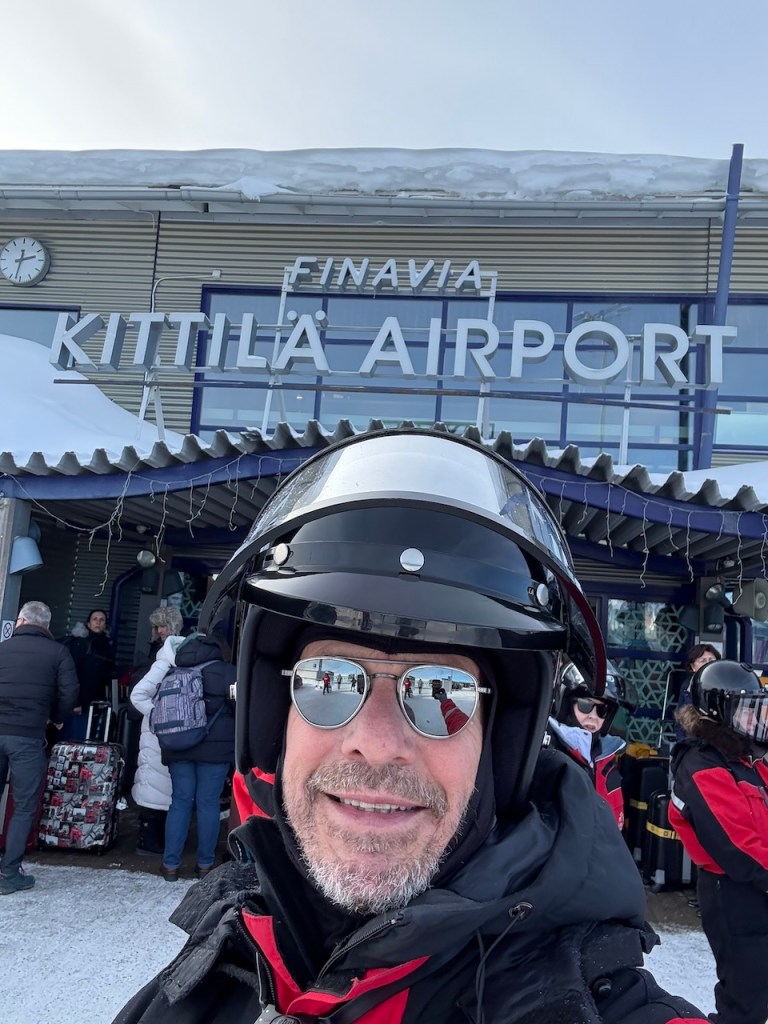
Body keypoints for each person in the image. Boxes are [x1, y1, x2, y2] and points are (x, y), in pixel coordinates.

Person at [113, 429, 706, 1023]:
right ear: (275, 714)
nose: (375, 742)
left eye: (439, 692)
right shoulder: (207, 978)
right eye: (329, 681)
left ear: (500, 745)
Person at [670, 659, 768, 1024]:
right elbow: (737, 847)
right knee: (747, 997)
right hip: (734, 894)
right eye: (747, 713)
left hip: (757, 886)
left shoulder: (746, 761)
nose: (755, 722)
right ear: (719, 712)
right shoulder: (702, 764)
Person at [130, 631, 235, 881]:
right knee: (208, 804)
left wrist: (158, 718)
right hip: (216, 750)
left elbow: (144, 697)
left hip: (179, 745)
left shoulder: (172, 669)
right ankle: (205, 865)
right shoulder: (229, 672)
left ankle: (170, 866)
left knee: (180, 802)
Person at [0, 601, 78, 895]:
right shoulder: (58, 652)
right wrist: (56, 718)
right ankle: (8, 873)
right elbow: (70, 692)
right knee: (23, 806)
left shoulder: (2, 648)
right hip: (28, 737)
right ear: (46, 625)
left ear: (20, 621)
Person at [546, 660, 637, 828]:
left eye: (602, 711)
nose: (593, 716)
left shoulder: (606, 757)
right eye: (585, 705)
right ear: (566, 704)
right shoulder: (548, 754)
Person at [130, 606, 185, 856]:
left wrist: (159, 715)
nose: (160, 630)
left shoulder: (166, 655)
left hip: (156, 729)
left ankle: (151, 839)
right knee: (157, 783)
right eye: (157, 626)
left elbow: (139, 693)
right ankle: (151, 839)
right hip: (161, 730)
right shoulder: (166, 655)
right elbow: (139, 693)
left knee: (157, 783)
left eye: (164, 625)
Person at [60, 608, 116, 740]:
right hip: (79, 705)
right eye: (95, 619)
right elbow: (72, 673)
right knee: (74, 742)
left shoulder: (106, 646)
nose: (98, 622)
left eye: (101, 620)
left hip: (96, 704)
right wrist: (75, 702)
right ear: (88, 624)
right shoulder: (80, 643)